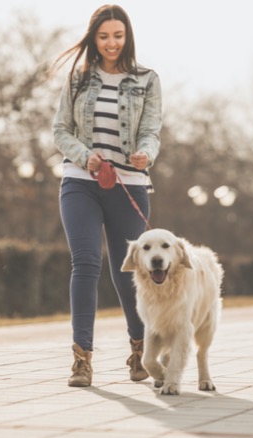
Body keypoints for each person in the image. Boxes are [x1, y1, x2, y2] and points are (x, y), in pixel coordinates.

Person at [50, 4, 163, 387]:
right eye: (104, 36)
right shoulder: (78, 79)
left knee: (127, 270)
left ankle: (139, 350)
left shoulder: (147, 79)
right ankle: (82, 359)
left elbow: (151, 130)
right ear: (93, 38)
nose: (111, 43)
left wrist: (146, 153)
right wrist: (86, 157)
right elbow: (60, 131)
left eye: (118, 35)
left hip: (129, 185)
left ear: (127, 36)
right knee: (85, 263)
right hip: (80, 181)